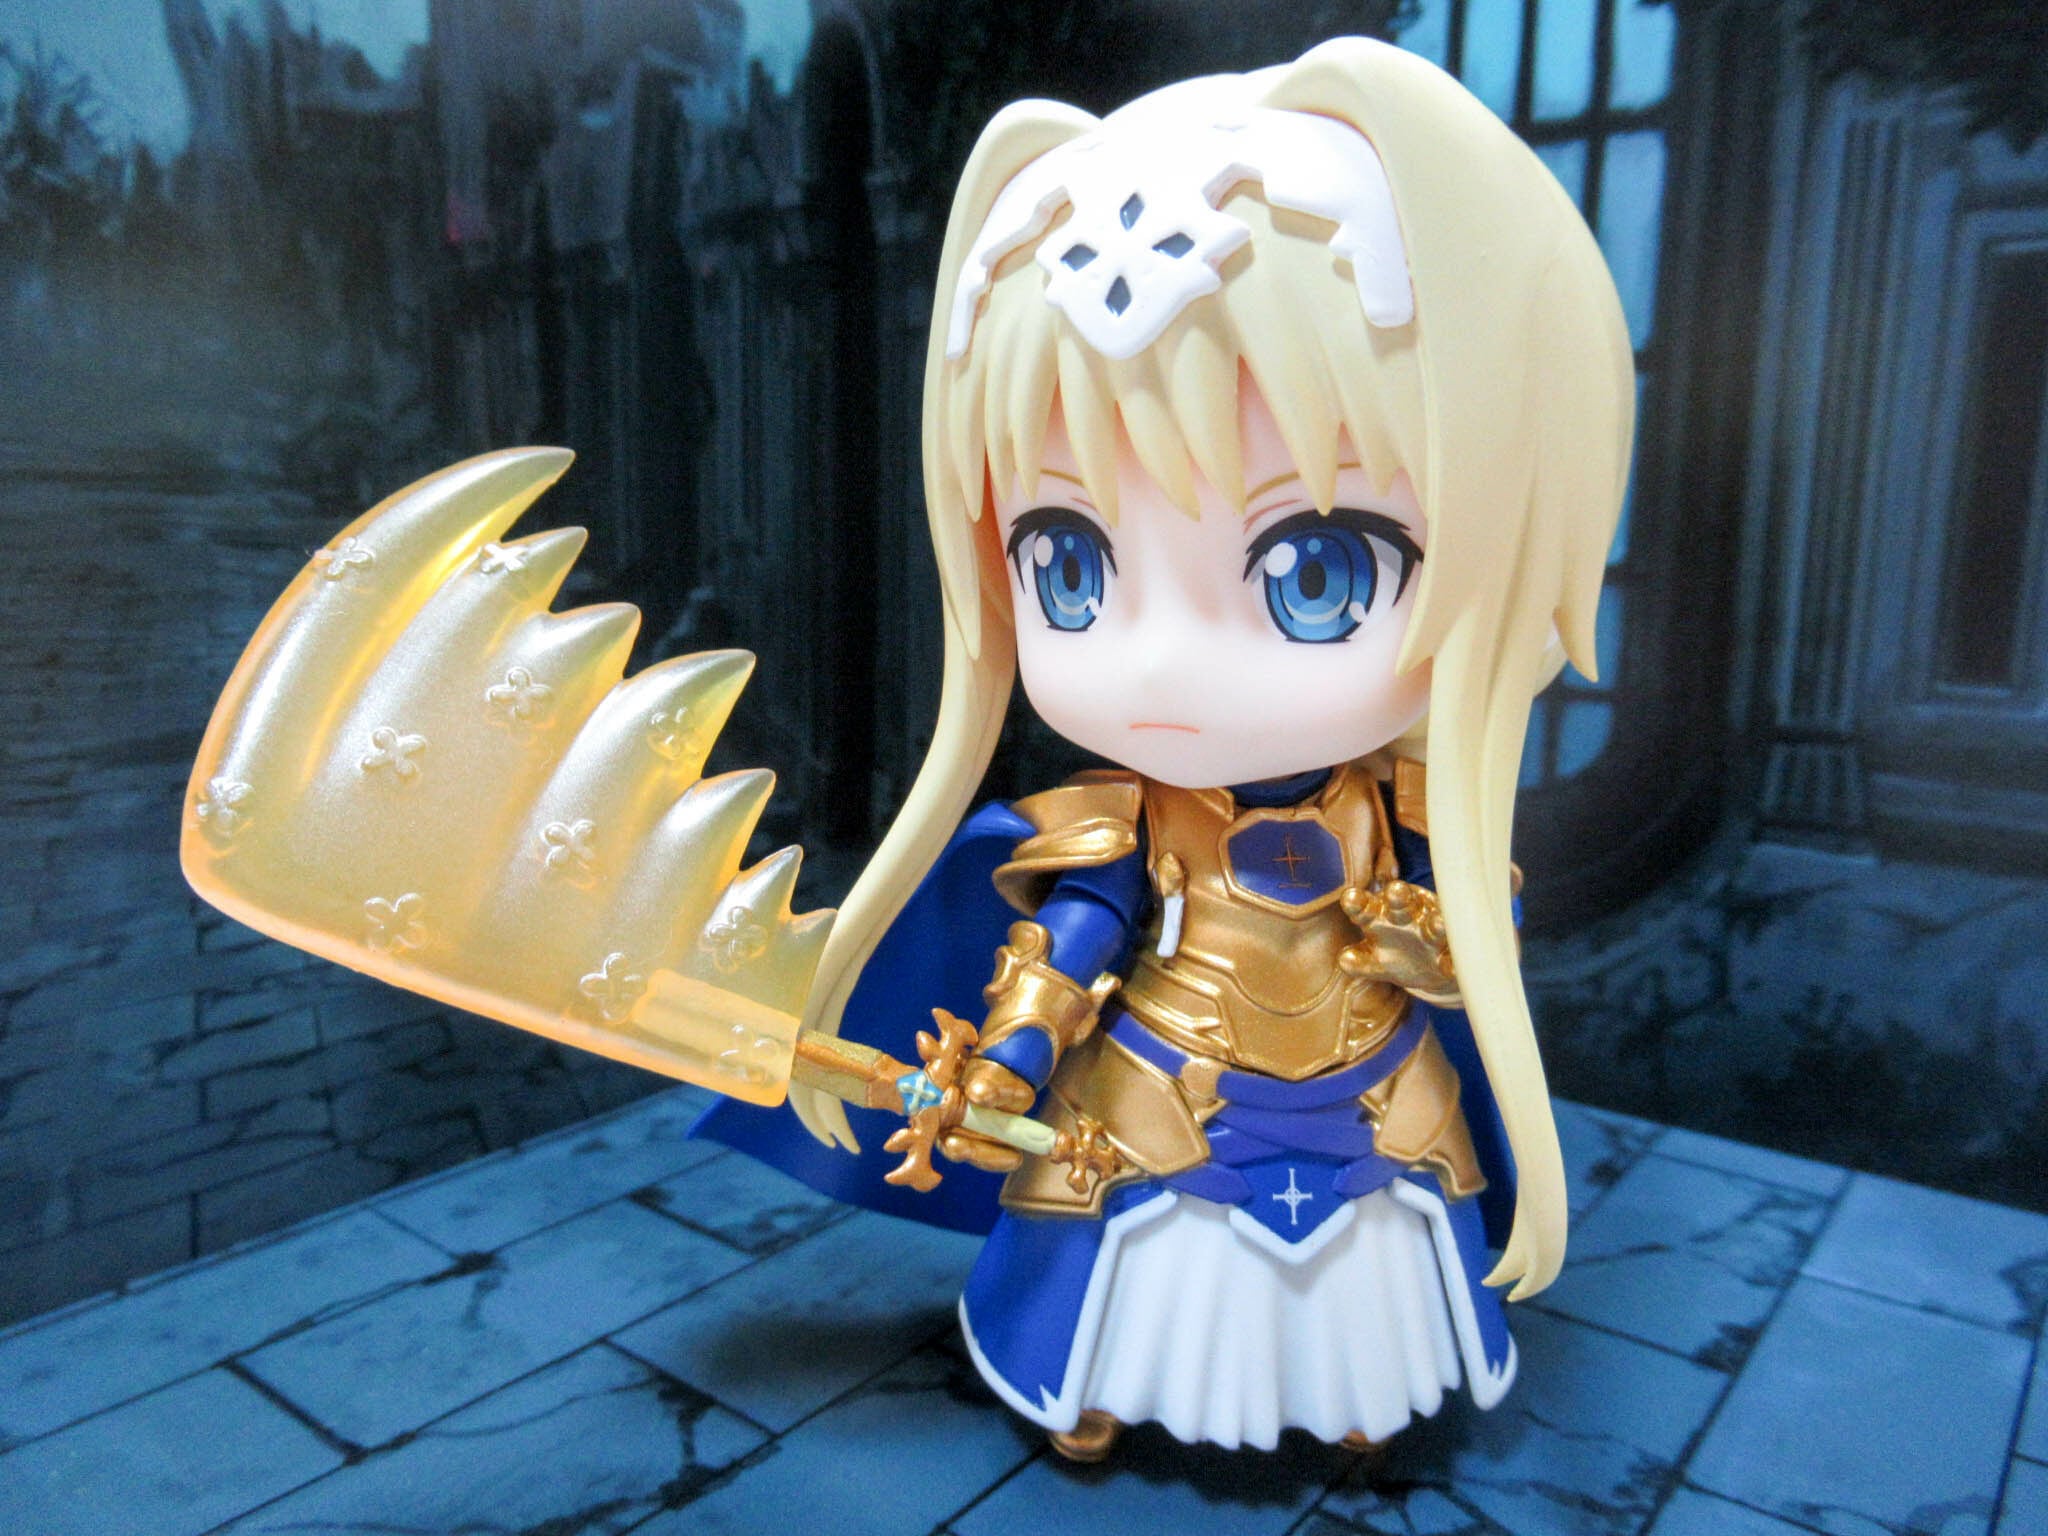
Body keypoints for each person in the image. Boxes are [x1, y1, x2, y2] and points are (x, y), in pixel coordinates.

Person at [710, 36, 1636, 1457]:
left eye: (1317, 570)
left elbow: (1463, 938)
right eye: (1068, 565)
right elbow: (1077, 932)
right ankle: (1094, 1385)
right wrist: (1011, 1060)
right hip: (1160, 1086)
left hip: (1368, 1089)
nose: (1160, 666)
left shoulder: (1399, 808)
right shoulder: (1126, 819)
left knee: (1363, 1268)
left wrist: (1418, 940)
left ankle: (1356, 1405)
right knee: (1136, 1260)